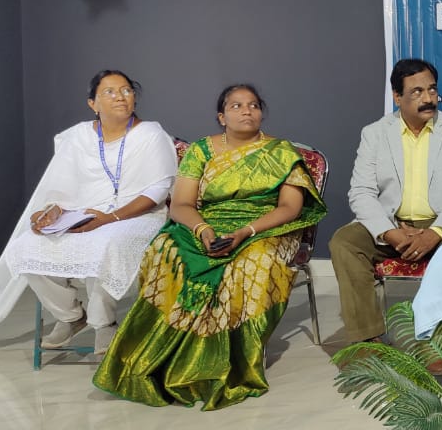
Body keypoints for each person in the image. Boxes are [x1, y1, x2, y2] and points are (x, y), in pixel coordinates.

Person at [93, 84, 327, 410]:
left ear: (261, 113)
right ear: (221, 116)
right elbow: (181, 205)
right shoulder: (201, 151)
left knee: (252, 263)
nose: (246, 111)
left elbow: (290, 208)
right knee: (165, 251)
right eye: (236, 106)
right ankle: (161, 357)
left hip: (266, 228)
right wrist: (203, 230)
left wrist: (246, 231)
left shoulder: (282, 152)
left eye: (253, 105)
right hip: (205, 223)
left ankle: (230, 362)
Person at [0, 70, 176, 353]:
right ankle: (71, 316)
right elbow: (59, 189)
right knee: (27, 246)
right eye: (110, 92)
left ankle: (104, 323)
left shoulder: (151, 134)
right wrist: (49, 212)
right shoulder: (78, 136)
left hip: (138, 215)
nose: (120, 96)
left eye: (126, 90)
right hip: (84, 212)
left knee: (103, 243)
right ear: (92, 104)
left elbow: (158, 190)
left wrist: (110, 218)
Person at [330, 58, 442, 357]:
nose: (428, 98)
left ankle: (437, 345)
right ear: (397, 97)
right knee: (344, 243)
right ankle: (367, 341)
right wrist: (389, 232)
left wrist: (436, 231)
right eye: (417, 92)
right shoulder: (375, 133)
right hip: (392, 223)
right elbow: (361, 192)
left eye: (432, 90)